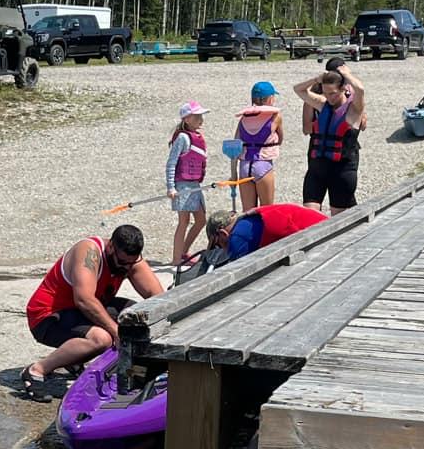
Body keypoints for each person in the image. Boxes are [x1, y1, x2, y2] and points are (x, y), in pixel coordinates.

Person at [21, 223, 165, 398]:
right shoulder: (89, 253)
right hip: (48, 316)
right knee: (102, 339)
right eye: (122, 262)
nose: (127, 268)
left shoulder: (129, 260)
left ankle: (78, 360)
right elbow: (84, 300)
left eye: (131, 263)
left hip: (78, 312)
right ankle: (37, 370)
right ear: (111, 247)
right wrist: (116, 332)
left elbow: (157, 297)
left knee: (136, 318)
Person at [294, 64, 366, 214]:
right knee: (309, 214)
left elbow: (360, 90)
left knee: (338, 219)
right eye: (326, 93)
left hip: (342, 171)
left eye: (332, 93)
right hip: (317, 169)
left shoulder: (353, 111)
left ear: (342, 89)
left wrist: (347, 75)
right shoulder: (322, 105)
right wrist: (316, 79)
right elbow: (298, 89)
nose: (329, 97)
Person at [165, 100, 208, 267]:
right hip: (182, 185)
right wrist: (171, 187)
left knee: (201, 220)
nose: (201, 120)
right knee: (183, 221)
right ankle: (176, 260)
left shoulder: (197, 137)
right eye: (197, 116)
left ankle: (184, 251)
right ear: (187, 119)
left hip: (194, 184)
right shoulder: (183, 138)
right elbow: (171, 163)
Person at [205, 202, 327, 260]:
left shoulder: (238, 238)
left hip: (321, 238)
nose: (221, 249)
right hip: (327, 226)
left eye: (218, 245)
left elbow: (238, 272)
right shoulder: (246, 219)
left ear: (222, 234)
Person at [233, 81, 284, 210]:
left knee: (248, 212)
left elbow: (236, 142)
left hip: (245, 165)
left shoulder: (244, 117)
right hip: (263, 164)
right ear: (271, 98)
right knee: (267, 211)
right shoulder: (275, 116)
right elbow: (280, 139)